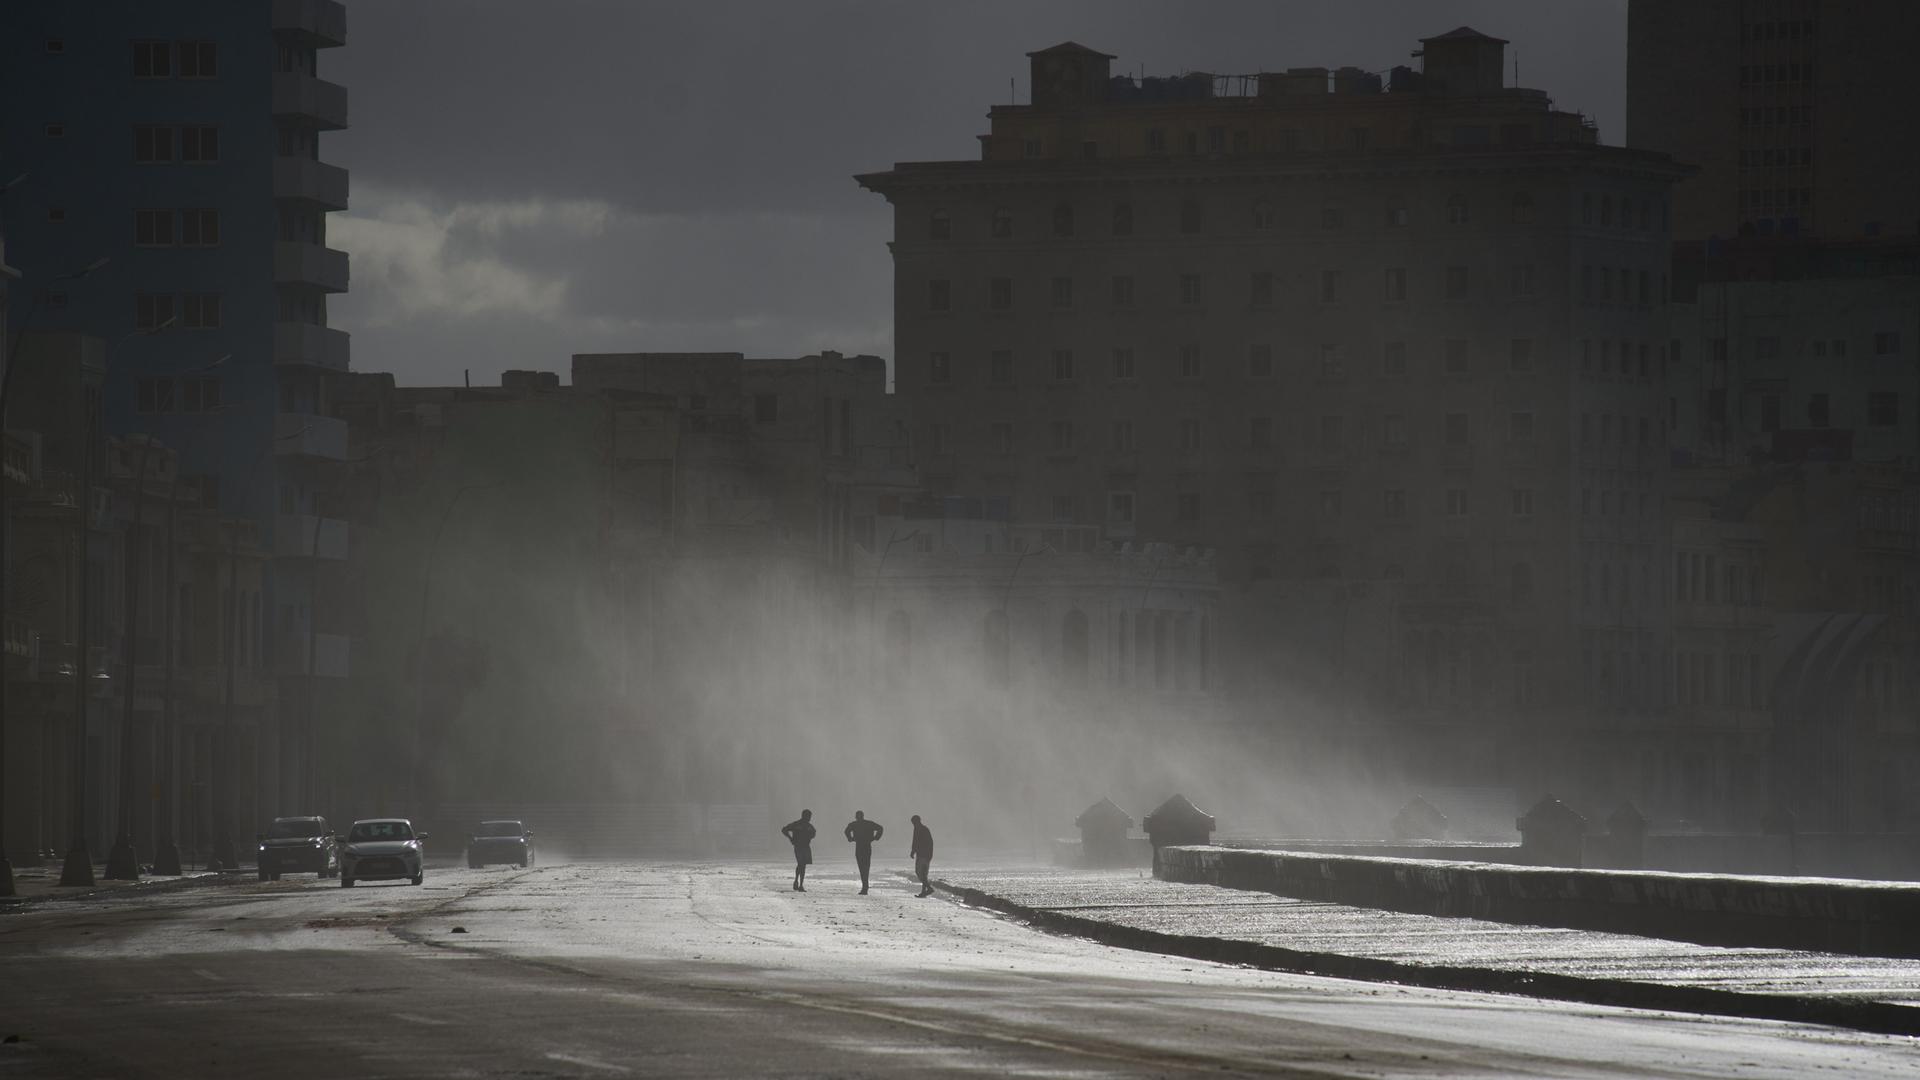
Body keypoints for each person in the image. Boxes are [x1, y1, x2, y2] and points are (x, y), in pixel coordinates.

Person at [843, 811, 884, 894]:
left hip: (859, 847)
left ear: (856, 817)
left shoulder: (854, 824)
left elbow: (846, 831)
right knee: (866, 867)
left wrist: (850, 838)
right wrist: (875, 837)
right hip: (867, 846)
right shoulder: (869, 823)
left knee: (862, 867)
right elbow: (880, 828)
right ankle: (865, 885)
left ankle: (865, 886)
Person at [780, 809, 816, 892]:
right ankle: (799, 883)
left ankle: (799, 883)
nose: (809, 818)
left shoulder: (809, 826)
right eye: (808, 816)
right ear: (804, 816)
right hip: (799, 847)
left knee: (802, 865)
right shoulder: (796, 825)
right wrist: (790, 838)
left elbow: (814, 834)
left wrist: (808, 837)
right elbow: (784, 829)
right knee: (801, 864)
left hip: (806, 847)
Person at [909, 814, 934, 897]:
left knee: (919, 872)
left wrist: (913, 851)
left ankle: (929, 888)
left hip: (923, 855)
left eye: (913, 822)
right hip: (925, 855)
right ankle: (924, 892)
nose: (913, 824)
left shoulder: (921, 829)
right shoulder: (921, 829)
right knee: (923, 874)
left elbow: (916, 842)